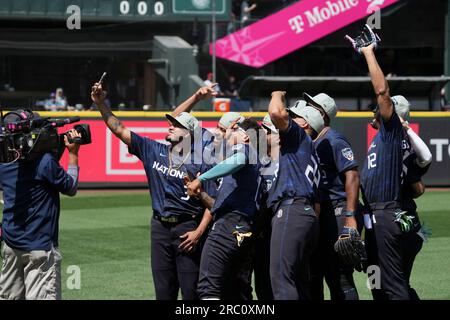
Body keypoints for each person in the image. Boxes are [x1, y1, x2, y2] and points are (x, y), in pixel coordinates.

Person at [91, 82, 217, 300]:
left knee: (191, 293)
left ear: (189, 135)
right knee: (163, 293)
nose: (170, 126)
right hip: (159, 228)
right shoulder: (153, 150)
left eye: (176, 125)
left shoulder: (201, 162)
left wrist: (198, 233)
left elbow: (213, 203)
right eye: (171, 123)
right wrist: (101, 103)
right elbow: (118, 128)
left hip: (188, 228)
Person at [354, 26, 426, 300]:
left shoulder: (393, 132)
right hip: (374, 220)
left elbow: (382, 91)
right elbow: (416, 186)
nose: (377, 108)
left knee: (393, 287)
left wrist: (368, 53)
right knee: (376, 282)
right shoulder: (381, 139)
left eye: (383, 108)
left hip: (387, 216)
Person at [0, 110, 81, 300]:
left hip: (11, 246)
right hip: (40, 248)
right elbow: (70, 187)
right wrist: (73, 154)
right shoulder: (45, 163)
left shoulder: (4, 164)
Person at [186, 118, 261, 300]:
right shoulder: (251, 159)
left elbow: (239, 158)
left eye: (233, 129)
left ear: (245, 136)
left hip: (229, 224)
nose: (228, 132)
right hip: (241, 226)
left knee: (207, 288)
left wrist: (200, 179)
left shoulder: (244, 150)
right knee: (233, 290)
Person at [299, 93, 363, 300]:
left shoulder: (334, 139)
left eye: (312, 105)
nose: (307, 106)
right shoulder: (313, 140)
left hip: (339, 209)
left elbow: (352, 176)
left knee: (340, 275)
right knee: (317, 272)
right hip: (324, 212)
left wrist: (350, 217)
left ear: (321, 112)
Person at [267, 91, 322, 300]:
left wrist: (277, 94)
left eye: (294, 115)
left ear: (305, 125)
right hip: (306, 215)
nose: (288, 116)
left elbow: (275, 112)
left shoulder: (298, 137)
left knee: (281, 279)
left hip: (292, 211)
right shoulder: (309, 150)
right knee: (298, 281)